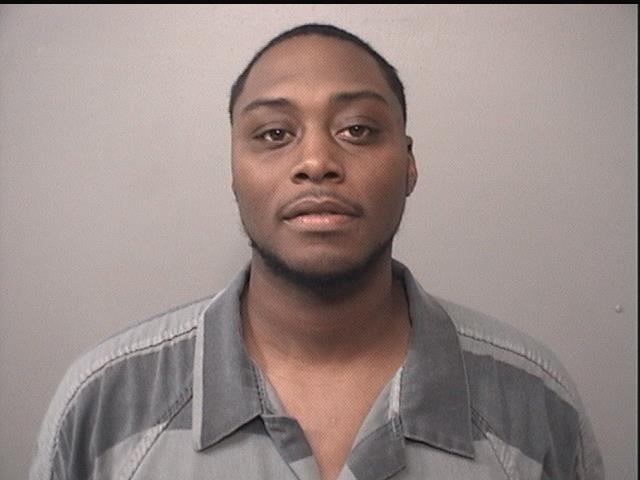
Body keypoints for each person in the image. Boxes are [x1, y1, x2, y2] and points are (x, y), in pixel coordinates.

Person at [30, 23, 604, 480]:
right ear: (233, 171)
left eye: (357, 129)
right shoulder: (103, 407)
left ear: (408, 165)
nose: (316, 162)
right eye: (274, 134)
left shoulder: (534, 405)